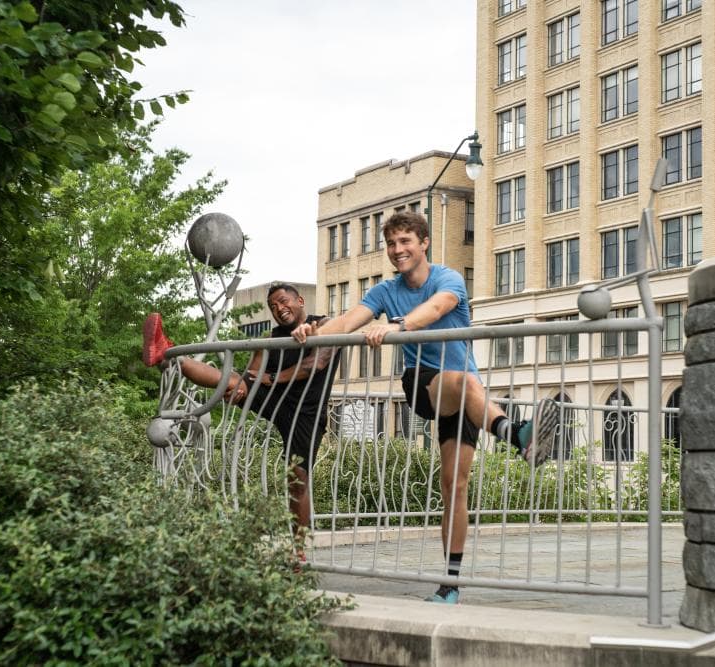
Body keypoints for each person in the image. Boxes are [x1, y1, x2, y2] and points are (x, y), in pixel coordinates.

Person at [291, 211, 557, 604]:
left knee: (456, 487)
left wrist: (398, 328)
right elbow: (348, 321)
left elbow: (435, 309)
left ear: (424, 243)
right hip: (423, 383)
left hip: (469, 399)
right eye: (392, 244)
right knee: (465, 382)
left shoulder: (448, 279)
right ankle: (515, 435)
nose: (398, 251)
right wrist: (309, 333)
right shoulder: (386, 290)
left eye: (405, 243)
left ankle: (449, 584)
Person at [143, 283, 339, 562]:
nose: (279, 309)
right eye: (272, 306)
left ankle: (299, 552)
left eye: (283, 302)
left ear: (300, 300)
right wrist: (240, 389)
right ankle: (166, 354)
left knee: (297, 477)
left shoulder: (324, 325)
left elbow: (315, 365)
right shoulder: (270, 337)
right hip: (274, 401)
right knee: (232, 379)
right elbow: (251, 375)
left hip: (307, 411)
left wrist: (267, 380)